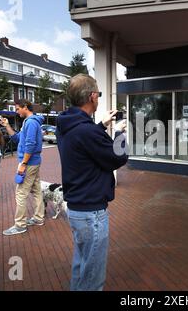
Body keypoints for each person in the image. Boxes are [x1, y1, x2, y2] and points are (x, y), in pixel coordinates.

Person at [56, 74, 128, 291]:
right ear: (92, 96)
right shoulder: (86, 131)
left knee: (81, 266)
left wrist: (100, 124)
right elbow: (118, 157)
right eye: (98, 95)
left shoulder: (66, 125)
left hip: (77, 209)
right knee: (93, 280)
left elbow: (85, 143)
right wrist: (119, 133)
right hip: (92, 214)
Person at [0, 99, 45, 236]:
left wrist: (23, 164)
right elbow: (18, 138)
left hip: (29, 163)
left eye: (17, 108)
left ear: (25, 107)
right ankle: (38, 218)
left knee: (20, 193)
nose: (16, 111)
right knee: (36, 190)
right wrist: (7, 126)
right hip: (34, 162)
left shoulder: (31, 122)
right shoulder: (30, 122)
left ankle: (20, 225)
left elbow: (30, 144)